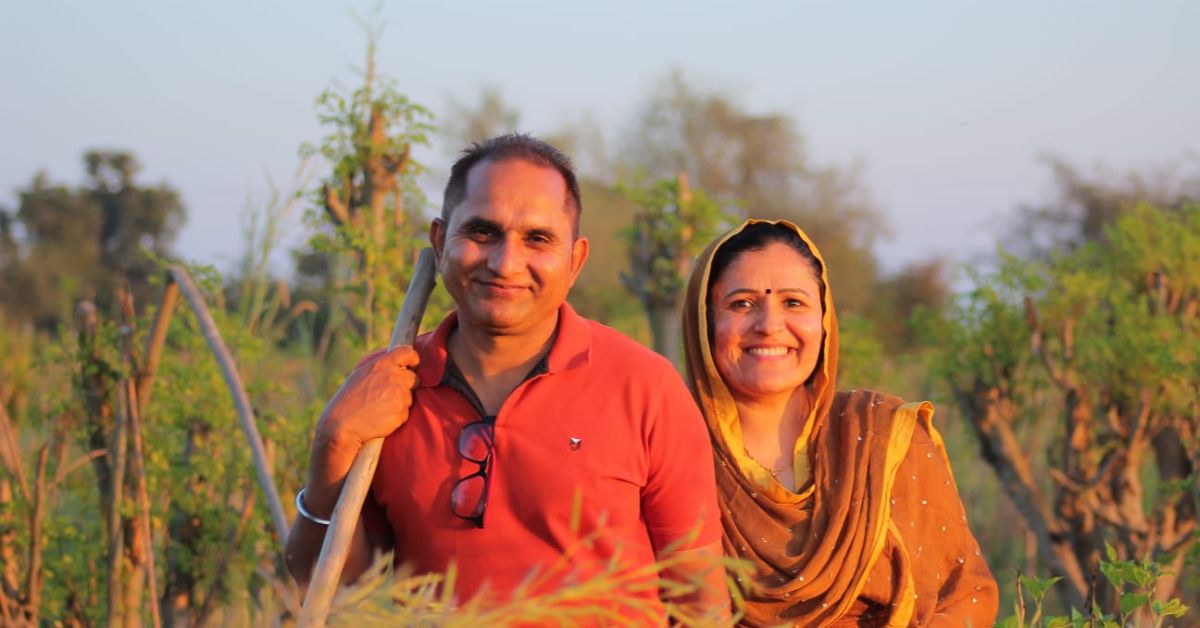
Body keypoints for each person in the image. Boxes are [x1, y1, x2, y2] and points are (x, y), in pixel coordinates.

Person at [285, 133, 729, 621]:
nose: (505, 263)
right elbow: (338, 597)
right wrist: (334, 441)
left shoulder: (644, 387)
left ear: (576, 260)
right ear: (439, 240)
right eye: (482, 232)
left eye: (537, 239)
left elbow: (699, 600)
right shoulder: (388, 385)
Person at [682, 219, 998, 626]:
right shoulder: (667, 446)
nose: (769, 324)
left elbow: (963, 595)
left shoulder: (884, 436)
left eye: (793, 303)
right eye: (741, 303)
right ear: (703, 322)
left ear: (825, 319)